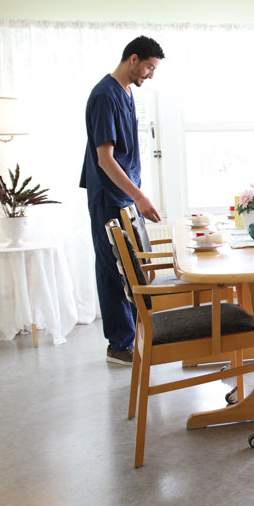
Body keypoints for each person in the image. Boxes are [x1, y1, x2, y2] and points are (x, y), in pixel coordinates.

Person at [80, 36, 164, 364]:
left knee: (131, 271)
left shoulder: (127, 93)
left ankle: (134, 336)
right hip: (109, 196)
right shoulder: (105, 95)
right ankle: (119, 344)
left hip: (124, 195)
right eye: (149, 67)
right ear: (133, 59)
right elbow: (105, 158)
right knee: (113, 269)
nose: (151, 74)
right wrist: (139, 196)